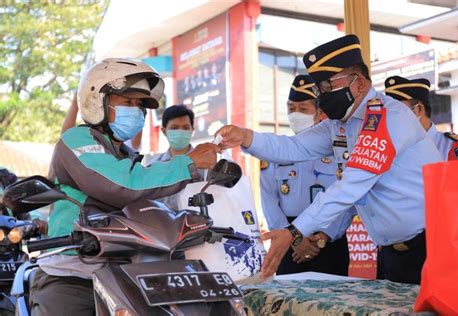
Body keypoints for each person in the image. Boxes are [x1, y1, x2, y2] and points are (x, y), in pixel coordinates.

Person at [217, 34, 442, 284]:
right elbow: (293, 148)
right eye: (319, 88)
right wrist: (247, 137)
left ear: (359, 83)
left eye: (327, 86)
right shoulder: (341, 124)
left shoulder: (388, 118)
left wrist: (294, 231)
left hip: (431, 247)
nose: (322, 95)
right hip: (391, 253)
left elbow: (350, 185)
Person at [30, 58, 220, 315]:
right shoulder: (76, 140)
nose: (137, 111)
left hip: (124, 270)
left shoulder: (128, 155)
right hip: (73, 271)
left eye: (140, 105)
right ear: (98, 101)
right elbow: (119, 184)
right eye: (127, 102)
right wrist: (187, 163)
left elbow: (149, 205)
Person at [260, 74, 355, 276]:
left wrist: (323, 237)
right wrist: (295, 239)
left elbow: (349, 197)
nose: (295, 114)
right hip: (288, 244)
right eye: (291, 109)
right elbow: (269, 201)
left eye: (303, 109)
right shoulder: (276, 152)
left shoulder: (338, 148)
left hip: (329, 242)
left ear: (319, 112)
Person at [384, 75, 458, 160]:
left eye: (397, 111)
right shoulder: (390, 148)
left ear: (419, 109)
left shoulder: (450, 147)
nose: (392, 118)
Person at [142, 104, 205, 209]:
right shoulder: (153, 168)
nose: (180, 132)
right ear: (164, 131)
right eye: (174, 128)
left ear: (192, 130)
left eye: (185, 127)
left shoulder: (206, 164)